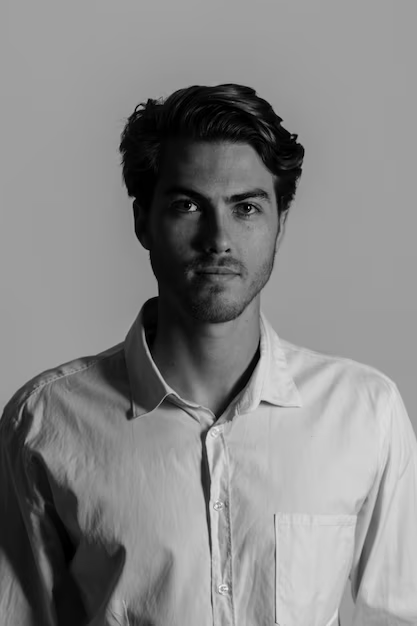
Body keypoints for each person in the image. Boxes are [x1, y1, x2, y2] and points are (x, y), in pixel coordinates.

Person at [1, 83, 416, 626]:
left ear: (279, 225)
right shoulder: (45, 421)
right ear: (142, 221)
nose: (218, 238)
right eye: (188, 204)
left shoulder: (365, 413)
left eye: (246, 207)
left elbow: (397, 614)